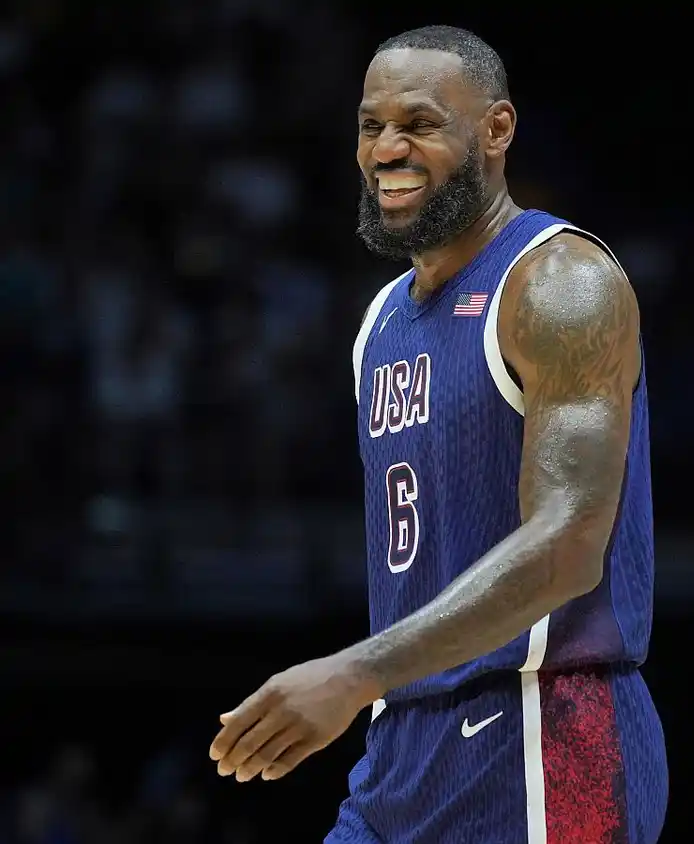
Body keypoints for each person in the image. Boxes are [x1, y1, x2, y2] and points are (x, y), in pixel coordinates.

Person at [207, 25, 667, 844]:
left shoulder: (560, 283)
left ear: (496, 128)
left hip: (543, 732)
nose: (387, 150)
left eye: (418, 124)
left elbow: (569, 546)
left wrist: (354, 672)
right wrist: (373, 684)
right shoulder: (381, 320)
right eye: (371, 126)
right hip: (401, 743)